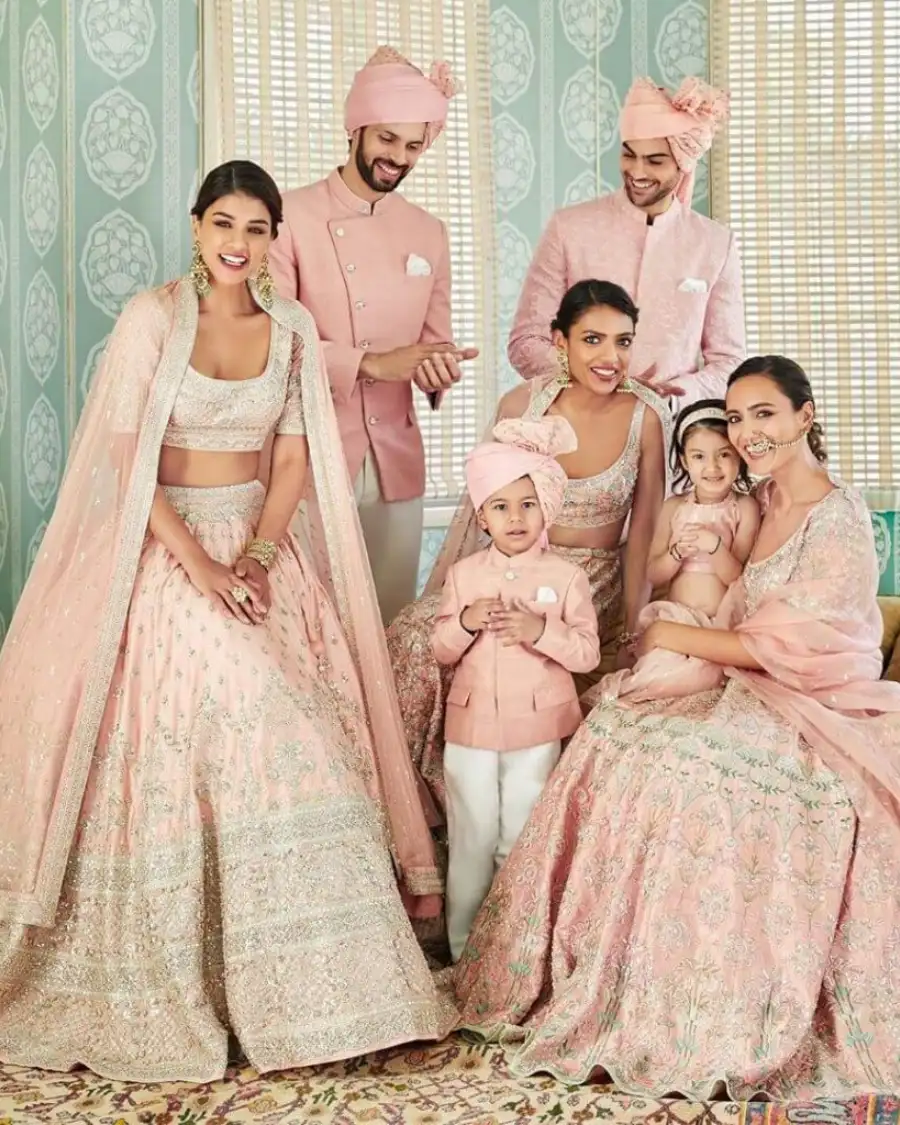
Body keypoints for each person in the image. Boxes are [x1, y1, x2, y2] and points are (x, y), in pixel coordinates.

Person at [0, 160, 455, 1083]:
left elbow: (290, 461)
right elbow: (130, 466)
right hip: (163, 546)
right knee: (238, 702)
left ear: (271, 238)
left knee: (309, 732)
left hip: (260, 544)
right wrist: (203, 566)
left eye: (256, 229)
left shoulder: (290, 327)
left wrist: (253, 557)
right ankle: (209, 979)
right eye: (223, 225)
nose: (239, 246)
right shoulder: (152, 318)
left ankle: (338, 991)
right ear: (198, 226)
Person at [454, 355, 900, 1100]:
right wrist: (671, 634)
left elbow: (806, 641)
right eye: (735, 417)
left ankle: (706, 1005)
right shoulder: (751, 500)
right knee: (619, 733)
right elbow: (717, 595)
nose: (748, 432)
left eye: (765, 414)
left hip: (813, 694)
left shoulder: (839, 513)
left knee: (703, 771)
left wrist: (676, 640)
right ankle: (573, 973)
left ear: (805, 416)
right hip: (738, 675)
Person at [388, 279, 671, 812]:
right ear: (559, 341)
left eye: (624, 341)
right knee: (411, 636)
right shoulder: (523, 404)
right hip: (505, 569)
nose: (611, 357)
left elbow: (645, 536)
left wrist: (633, 632)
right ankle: (424, 814)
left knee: (531, 656)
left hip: (585, 587)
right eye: (593, 340)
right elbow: (489, 512)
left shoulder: (647, 416)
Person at [268, 46, 479, 626]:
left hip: (395, 461)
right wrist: (372, 363)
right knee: (315, 627)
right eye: (387, 139)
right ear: (356, 129)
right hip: (309, 453)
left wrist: (440, 369)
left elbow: (435, 341)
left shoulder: (428, 232)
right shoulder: (288, 216)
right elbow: (273, 341)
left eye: (414, 145)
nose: (399, 158)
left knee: (389, 620)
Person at [432, 416, 601, 960]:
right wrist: (464, 622)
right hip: (472, 727)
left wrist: (540, 630)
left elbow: (587, 654)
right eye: (501, 507)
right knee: (471, 843)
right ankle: (464, 954)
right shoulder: (463, 577)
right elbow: (439, 650)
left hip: (537, 729)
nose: (516, 518)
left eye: (528, 504)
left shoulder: (568, 576)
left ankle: (515, 957)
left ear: (545, 508)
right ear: (482, 516)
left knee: (520, 841)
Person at [508, 77, 744, 404]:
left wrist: (674, 396)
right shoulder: (569, 227)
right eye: (629, 155)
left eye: (655, 160)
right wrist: (592, 381)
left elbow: (728, 363)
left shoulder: (715, 243)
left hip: (671, 433)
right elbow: (526, 341)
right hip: (580, 429)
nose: (637, 171)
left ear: (683, 163)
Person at [597, 398, 758, 704]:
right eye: (699, 456)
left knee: (704, 677)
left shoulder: (744, 507)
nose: (712, 467)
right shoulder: (673, 508)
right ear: (684, 461)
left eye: (724, 455)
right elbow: (654, 575)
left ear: (739, 456)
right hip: (677, 619)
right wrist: (674, 554)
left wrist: (715, 547)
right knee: (658, 673)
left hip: (718, 624)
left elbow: (739, 578)